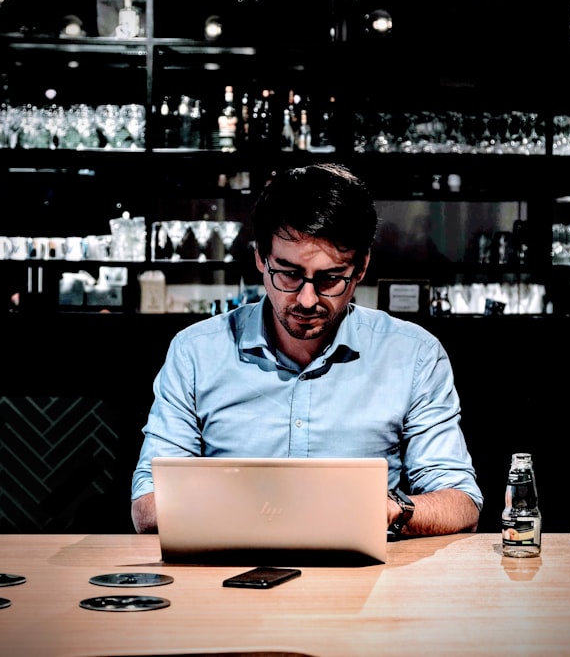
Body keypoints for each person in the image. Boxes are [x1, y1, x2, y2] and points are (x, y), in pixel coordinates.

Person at [131, 162, 483, 536]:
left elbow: (461, 502)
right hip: (226, 579)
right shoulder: (196, 353)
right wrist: (262, 514)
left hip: (367, 583)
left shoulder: (413, 355)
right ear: (260, 259)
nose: (307, 298)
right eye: (289, 273)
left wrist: (389, 510)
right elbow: (148, 505)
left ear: (361, 267)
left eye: (330, 278)